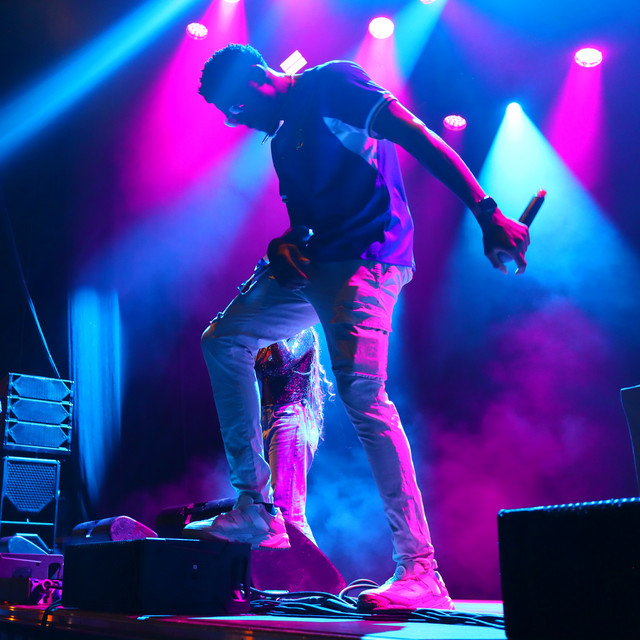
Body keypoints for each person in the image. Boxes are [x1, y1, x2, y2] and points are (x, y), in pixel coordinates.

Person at [184, 44, 529, 611]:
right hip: (320, 267)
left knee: (364, 397)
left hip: (369, 261)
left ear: (258, 79)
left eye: (236, 109)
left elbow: (418, 136)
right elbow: (306, 226)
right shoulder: (282, 142)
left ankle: (421, 569)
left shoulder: (332, 84)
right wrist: (282, 245)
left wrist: (486, 213)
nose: (235, 122)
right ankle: (257, 509)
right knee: (223, 340)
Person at [255, 325, 330, 546]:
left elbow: (282, 363)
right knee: (272, 511)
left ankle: (310, 568)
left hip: (289, 415)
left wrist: (269, 325)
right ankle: (296, 566)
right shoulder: (264, 336)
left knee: (287, 511)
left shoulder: (303, 331)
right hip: (266, 419)